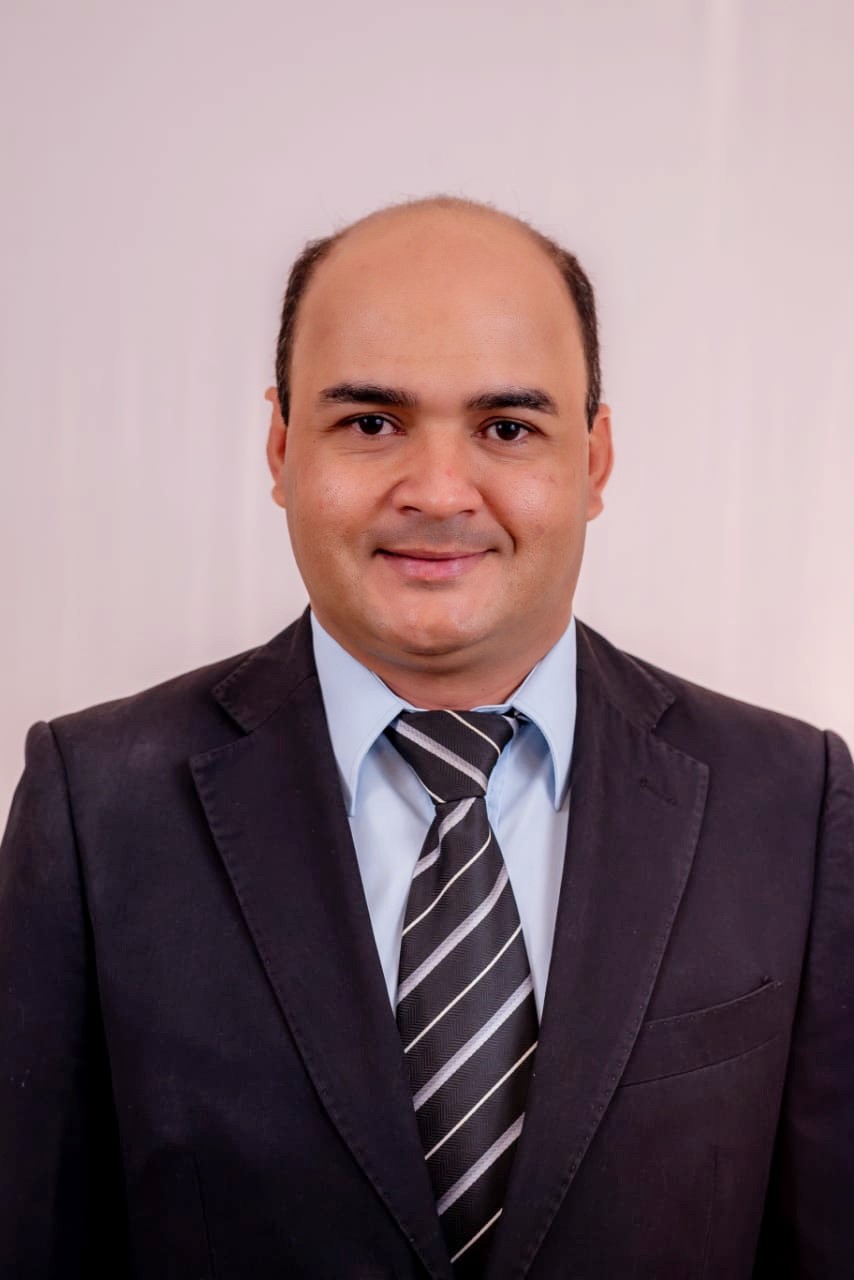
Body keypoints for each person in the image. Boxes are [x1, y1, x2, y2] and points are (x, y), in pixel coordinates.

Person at [1, 195, 851, 1280]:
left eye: (507, 428)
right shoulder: (96, 807)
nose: (439, 492)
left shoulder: (789, 801)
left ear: (594, 459)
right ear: (279, 445)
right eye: (371, 423)